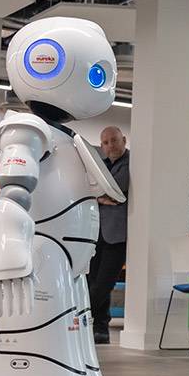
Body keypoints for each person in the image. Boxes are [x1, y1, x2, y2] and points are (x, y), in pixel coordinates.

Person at [86, 126, 129, 345]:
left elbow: (117, 189)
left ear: (123, 140)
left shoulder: (130, 163)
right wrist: (99, 197)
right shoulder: (103, 165)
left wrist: (97, 195)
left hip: (118, 234)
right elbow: (87, 189)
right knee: (92, 278)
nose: (110, 146)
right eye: (105, 143)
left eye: (114, 141)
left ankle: (79, 316)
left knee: (104, 283)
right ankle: (100, 328)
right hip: (97, 232)